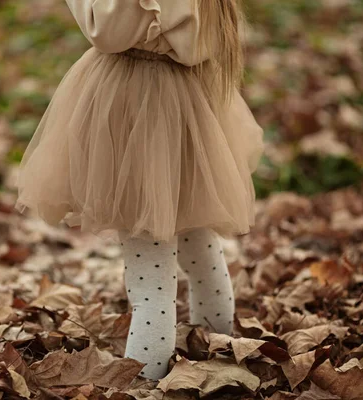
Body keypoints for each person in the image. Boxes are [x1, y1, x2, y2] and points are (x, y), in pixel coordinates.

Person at [17, 0, 264, 379]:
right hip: (190, 101)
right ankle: (218, 349)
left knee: (150, 281)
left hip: (135, 105)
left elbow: (107, 29)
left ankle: (147, 382)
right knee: (199, 242)